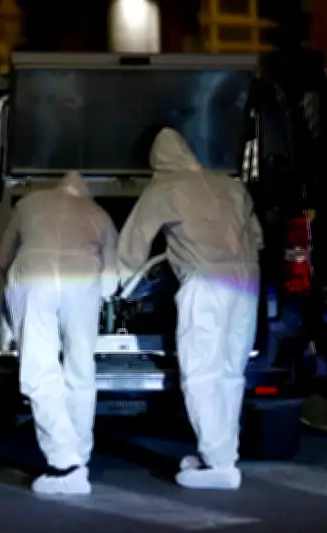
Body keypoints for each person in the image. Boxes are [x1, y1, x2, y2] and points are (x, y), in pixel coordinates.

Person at [117, 128, 263, 490]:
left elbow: (133, 245)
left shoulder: (164, 187)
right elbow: (258, 237)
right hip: (246, 281)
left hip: (206, 281)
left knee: (201, 372)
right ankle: (222, 455)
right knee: (231, 371)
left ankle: (219, 465)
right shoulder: (231, 186)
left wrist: (113, 288)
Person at [0, 170, 118, 495]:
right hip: (82, 283)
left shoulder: (28, 203)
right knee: (80, 370)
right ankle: (79, 456)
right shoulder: (100, 215)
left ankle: (66, 463)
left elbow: (3, 256)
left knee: (40, 370)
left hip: (33, 278)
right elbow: (111, 284)